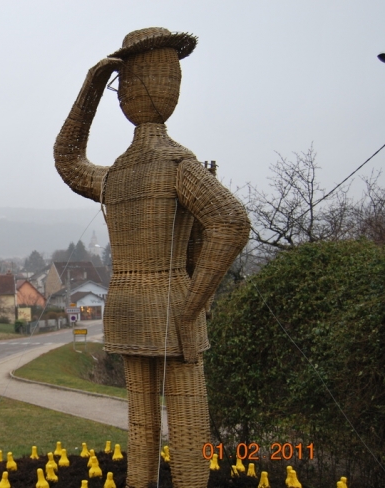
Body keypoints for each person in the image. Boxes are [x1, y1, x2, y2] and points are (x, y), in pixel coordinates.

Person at [54, 27, 250, 488]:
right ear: (171, 87)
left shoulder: (117, 176)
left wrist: (90, 88)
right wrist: (193, 301)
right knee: (187, 428)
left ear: (123, 95)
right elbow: (231, 221)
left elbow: (67, 159)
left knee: (140, 426)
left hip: (126, 307)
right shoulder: (177, 165)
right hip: (173, 309)